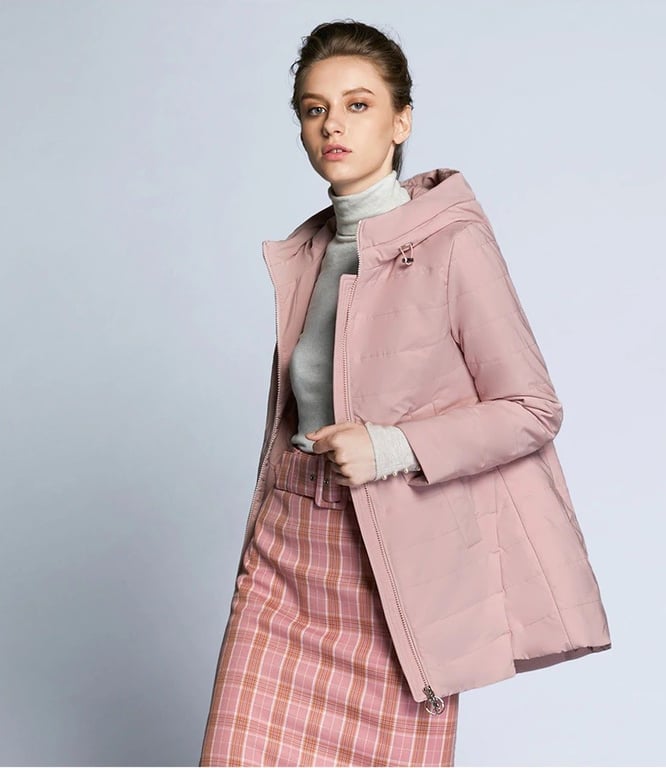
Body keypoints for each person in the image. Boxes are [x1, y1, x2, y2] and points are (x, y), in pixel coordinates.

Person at [200, 19, 611, 768]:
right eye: (315, 109)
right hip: (286, 559)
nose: (333, 125)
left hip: (402, 573)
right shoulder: (307, 251)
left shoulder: (452, 244)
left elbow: (533, 409)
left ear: (401, 121)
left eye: (358, 105)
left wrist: (392, 446)